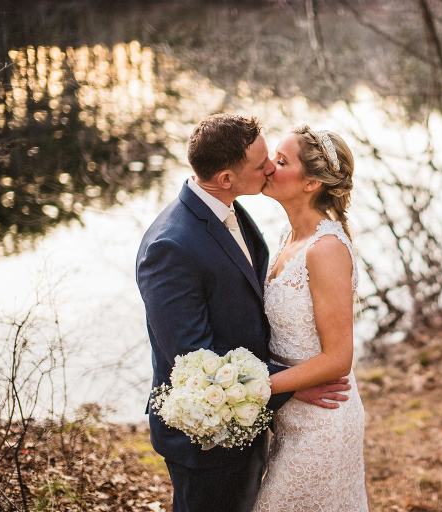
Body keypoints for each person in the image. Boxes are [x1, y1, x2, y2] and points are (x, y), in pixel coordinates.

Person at [135, 114, 350, 512]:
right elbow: (195, 361)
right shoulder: (171, 247)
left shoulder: (232, 211)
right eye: (262, 164)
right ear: (227, 178)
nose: (269, 168)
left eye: (276, 159)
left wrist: (283, 386)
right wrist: (287, 386)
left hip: (260, 422)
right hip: (206, 438)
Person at [253, 125, 368, 511]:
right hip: (291, 414)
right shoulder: (289, 238)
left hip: (324, 421)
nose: (268, 166)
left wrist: (260, 387)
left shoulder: (326, 249)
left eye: (281, 161)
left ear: (311, 183)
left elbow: (338, 358)